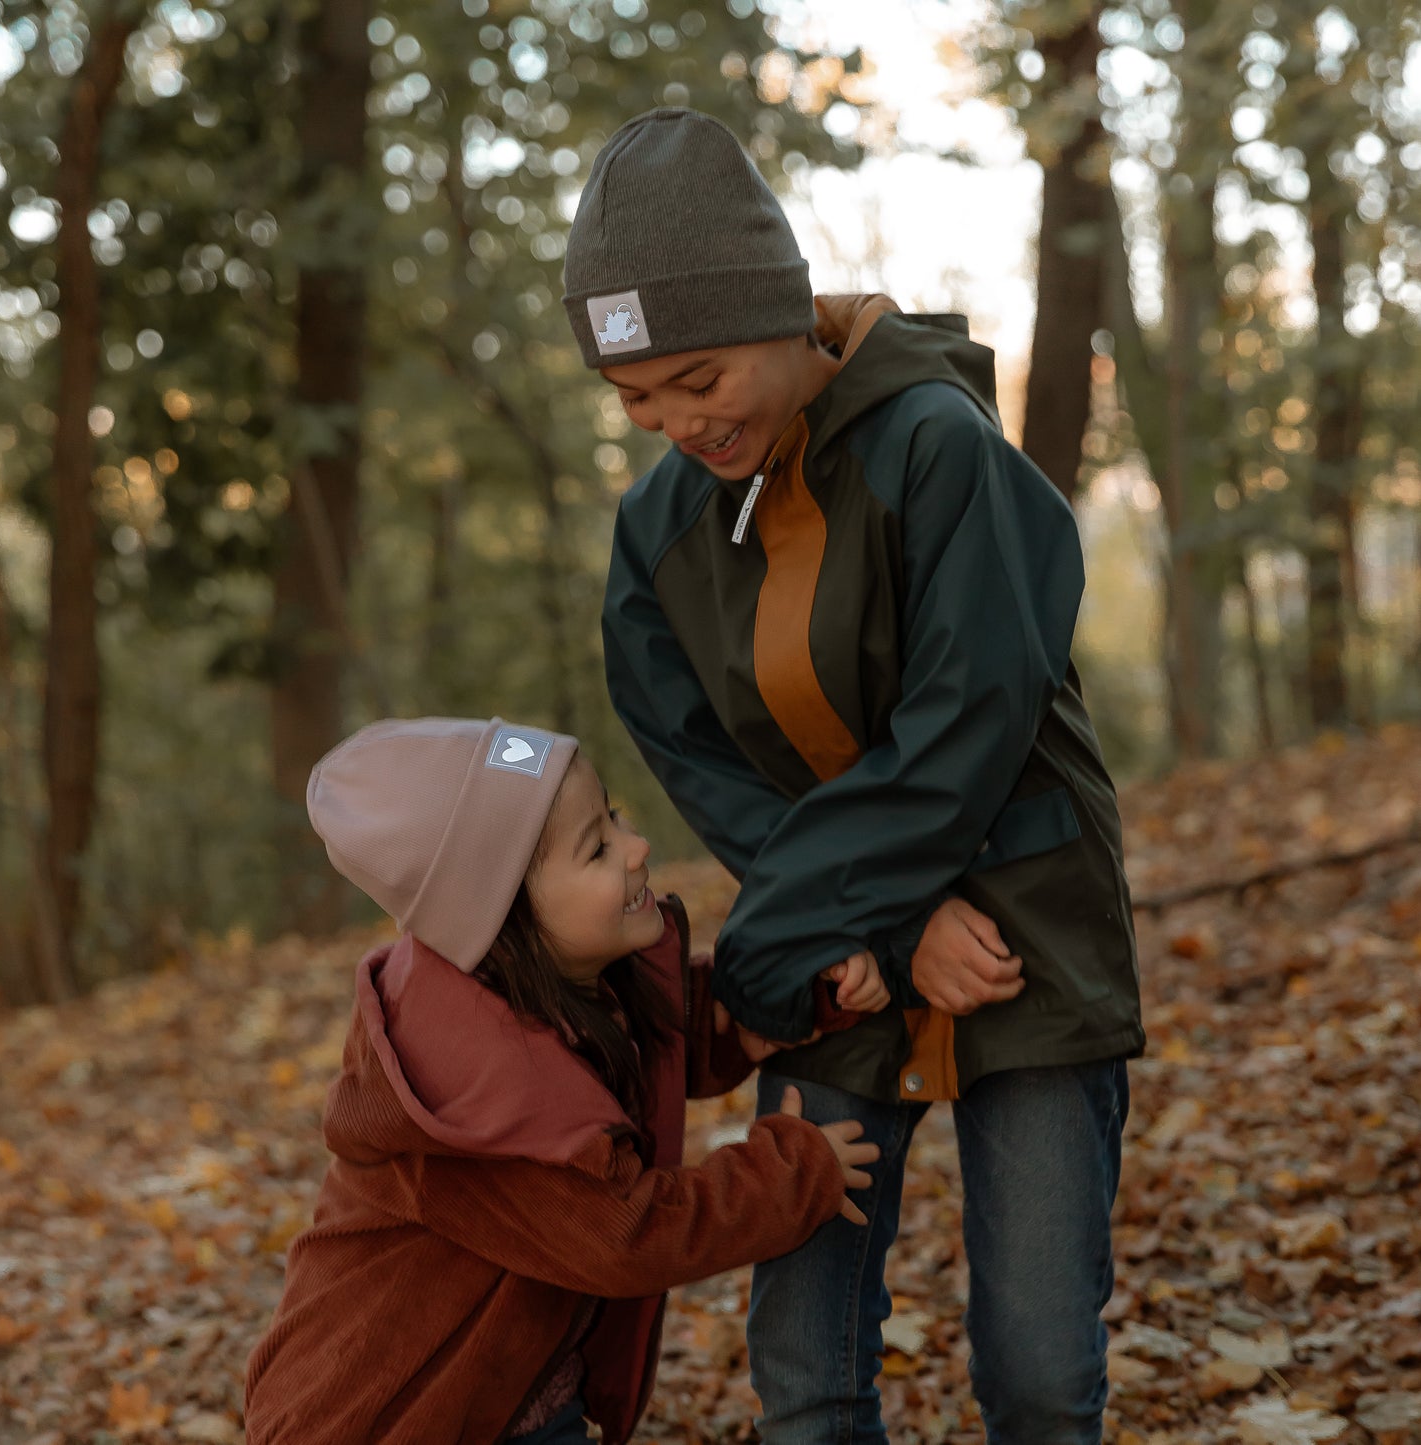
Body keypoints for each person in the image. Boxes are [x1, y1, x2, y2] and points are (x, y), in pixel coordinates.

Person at [560, 107, 1146, 1445]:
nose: (671, 421)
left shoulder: (940, 449)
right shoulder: (657, 527)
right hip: (837, 954)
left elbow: (970, 723)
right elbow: (694, 758)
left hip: (1024, 929)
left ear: (783, 315)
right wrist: (877, 922)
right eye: (636, 398)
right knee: (808, 1373)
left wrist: (846, 916)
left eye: (698, 377)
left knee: (1044, 1376)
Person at [243, 715, 886, 1445]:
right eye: (598, 847)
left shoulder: (541, 986)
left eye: (613, 815)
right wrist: (791, 1174)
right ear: (505, 914)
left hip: (511, 1394)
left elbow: (639, 1044)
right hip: (393, 1418)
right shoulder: (484, 1096)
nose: (637, 845)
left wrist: (762, 1007)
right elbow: (630, 1232)